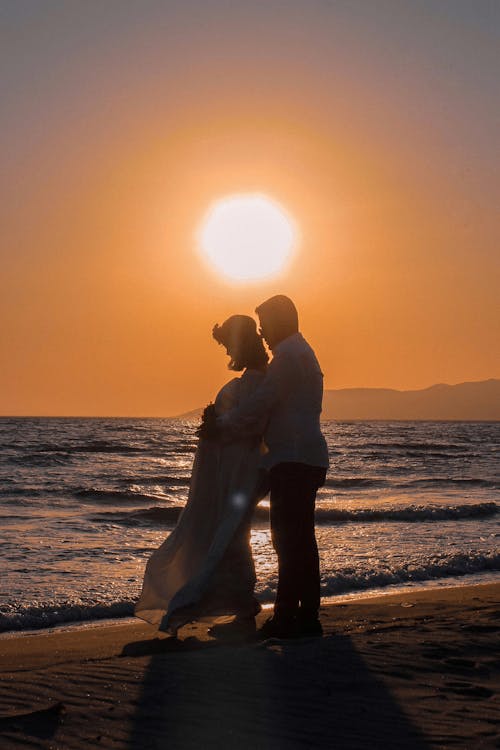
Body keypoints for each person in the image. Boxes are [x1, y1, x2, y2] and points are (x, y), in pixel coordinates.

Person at [135, 315, 268, 636]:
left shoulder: (258, 381)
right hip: (228, 471)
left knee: (231, 535)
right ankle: (240, 602)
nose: (226, 354)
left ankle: (234, 602)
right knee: (232, 535)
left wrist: (216, 424)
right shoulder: (253, 379)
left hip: (239, 472)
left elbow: (251, 424)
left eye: (228, 346)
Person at [216, 295, 329, 638]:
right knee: (301, 541)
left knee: (288, 541)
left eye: (265, 324)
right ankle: (306, 616)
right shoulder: (302, 353)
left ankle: (286, 618)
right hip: (306, 456)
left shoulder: (288, 358)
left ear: (281, 321)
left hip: (292, 458)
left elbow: (261, 404)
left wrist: (221, 425)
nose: (262, 333)